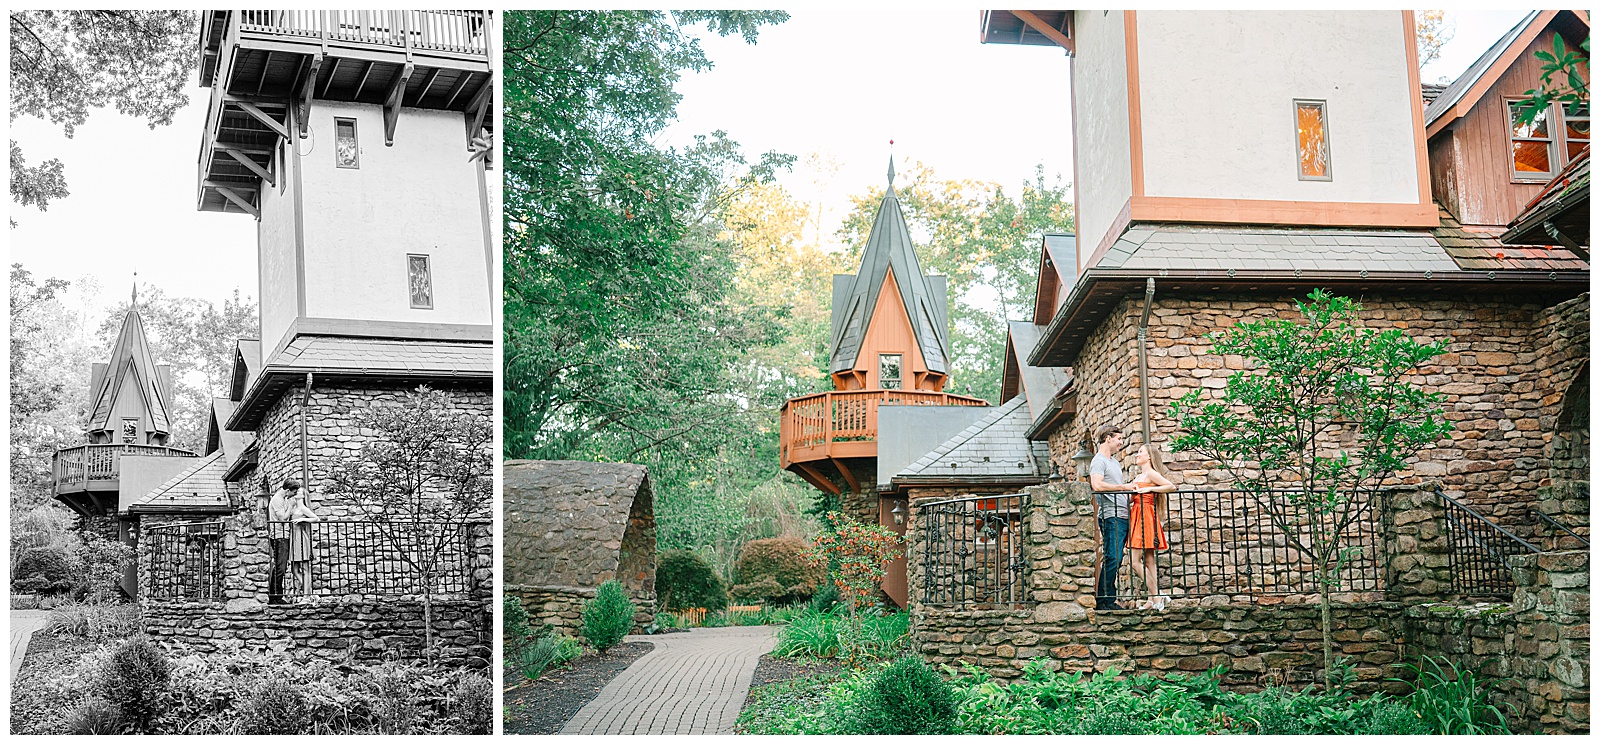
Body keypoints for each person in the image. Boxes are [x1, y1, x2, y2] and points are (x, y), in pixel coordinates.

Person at [1127, 443, 1177, 611]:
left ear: (1149, 456)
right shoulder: (1139, 476)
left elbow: (1171, 487)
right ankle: (1152, 599)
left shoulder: (1150, 474)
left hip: (1145, 517)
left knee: (1135, 562)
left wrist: (1148, 488)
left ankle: (1157, 595)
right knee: (1149, 560)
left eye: (1140, 452)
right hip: (1138, 516)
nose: (1137, 454)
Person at [1088, 425, 1130, 610]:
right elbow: (1097, 485)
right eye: (1119, 438)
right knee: (1113, 557)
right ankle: (1104, 600)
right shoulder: (1099, 461)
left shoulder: (1114, 462)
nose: (1121, 442)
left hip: (1122, 514)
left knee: (1117, 558)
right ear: (1108, 438)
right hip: (1110, 515)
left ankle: (1108, 598)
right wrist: (1123, 488)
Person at [266, 478, 300, 604]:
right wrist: (291, 507)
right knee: (280, 567)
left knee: (281, 566)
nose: (294, 495)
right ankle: (275, 596)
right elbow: (282, 519)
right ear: (287, 490)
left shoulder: (283, 499)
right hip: (279, 536)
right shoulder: (277, 500)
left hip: (284, 536)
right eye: (294, 492)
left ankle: (276, 594)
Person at [287, 491, 321, 597]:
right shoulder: (293, 508)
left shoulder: (303, 508)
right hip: (293, 538)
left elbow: (316, 518)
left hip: (301, 537)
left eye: (298, 492)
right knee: (294, 569)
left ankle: (307, 594)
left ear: (302, 495)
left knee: (306, 568)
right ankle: (308, 591)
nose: (295, 492)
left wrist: (303, 519)